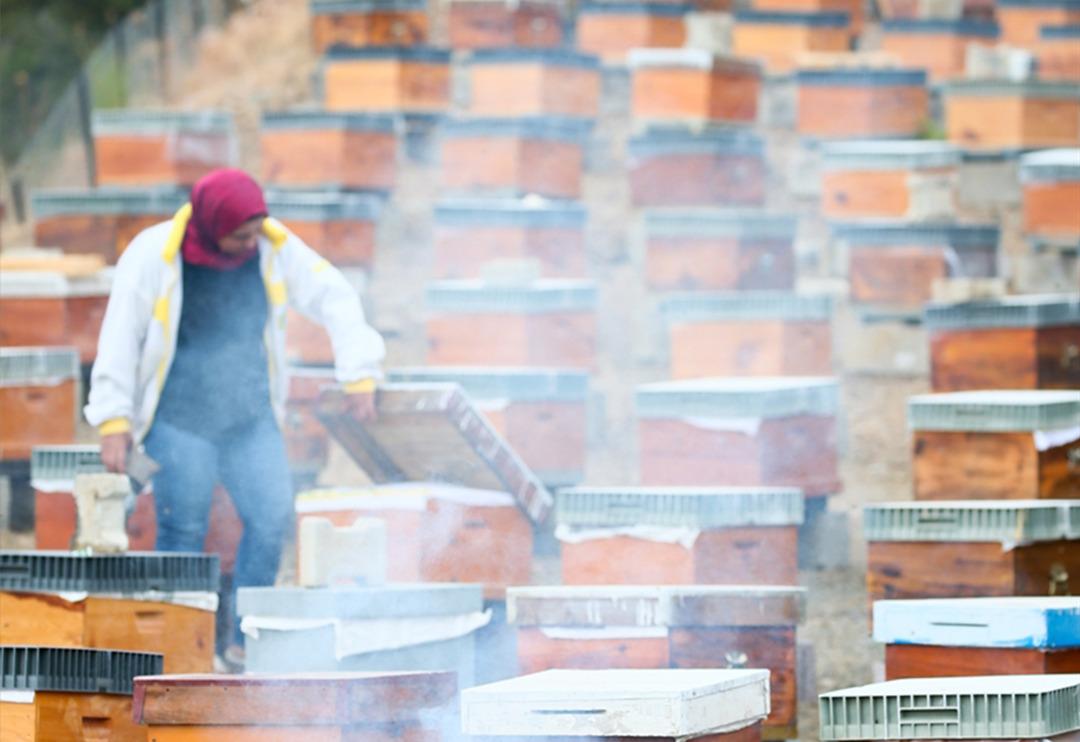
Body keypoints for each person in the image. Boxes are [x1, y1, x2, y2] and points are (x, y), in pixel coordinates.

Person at [84, 168, 384, 661]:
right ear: (209, 222)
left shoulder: (271, 245)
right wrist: (114, 421)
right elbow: (119, 336)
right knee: (183, 526)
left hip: (248, 415)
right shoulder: (152, 255)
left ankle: (246, 639)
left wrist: (359, 374)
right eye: (239, 234)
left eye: (254, 232)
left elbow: (336, 295)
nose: (249, 242)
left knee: (269, 516)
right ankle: (175, 649)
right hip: (179, 417)